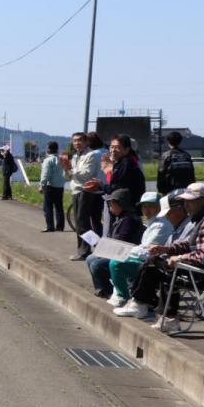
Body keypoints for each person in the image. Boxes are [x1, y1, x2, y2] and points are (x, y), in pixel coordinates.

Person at [116, 182, 204, 326]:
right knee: (155, 261)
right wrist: (165, 249)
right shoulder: (202, 218)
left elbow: (202, 256)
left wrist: (179, 258)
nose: (186, 205)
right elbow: (188, 244)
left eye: (190, 201)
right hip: (200, 270)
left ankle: (164, 315)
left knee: (162, 270)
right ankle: (143, 305)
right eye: (185, 201)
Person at [102, 193, 188, 307]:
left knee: (115, 263)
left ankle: (126, 297)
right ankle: (122, 294)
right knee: (102, 260)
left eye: (151, 206)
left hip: (155, 262)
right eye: (144, 206)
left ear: (159, 207)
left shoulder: (161, 225)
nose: (146, 210)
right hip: (151, 259)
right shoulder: (152, 222)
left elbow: (147, 250)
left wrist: (124, 251)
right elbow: (144, 247)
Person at [68, 132, 102, 260]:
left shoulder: (90, 155)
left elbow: (86, 174)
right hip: (76, 190)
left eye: (80, 140)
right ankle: (88, 248)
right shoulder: (75, 156)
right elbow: (69, 175)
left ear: (86, 142)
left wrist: (71, 171)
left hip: (85, 191)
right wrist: (68, 171)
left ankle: (91, 248)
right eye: (75, 141)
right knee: (80, 222)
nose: (77, 143)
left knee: (82, 223)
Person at [39, 140, 66, 232]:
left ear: (48, 149)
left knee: (48, 207)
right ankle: (60, 226)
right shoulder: (61, 159)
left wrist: (42, 185)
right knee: (59, 207)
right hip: (60, 186)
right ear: (57, 149)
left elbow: (45, 174)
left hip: (50, 186)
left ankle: (50, 226)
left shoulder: (48, 160)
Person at [157, 130, 196, 195]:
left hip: (171, 190)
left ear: (168, 141)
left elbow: (161, 173)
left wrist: (161, 190)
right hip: (187, 190)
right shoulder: (187, 155)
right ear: (180, 141)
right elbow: (192, 173)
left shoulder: (166, 155)